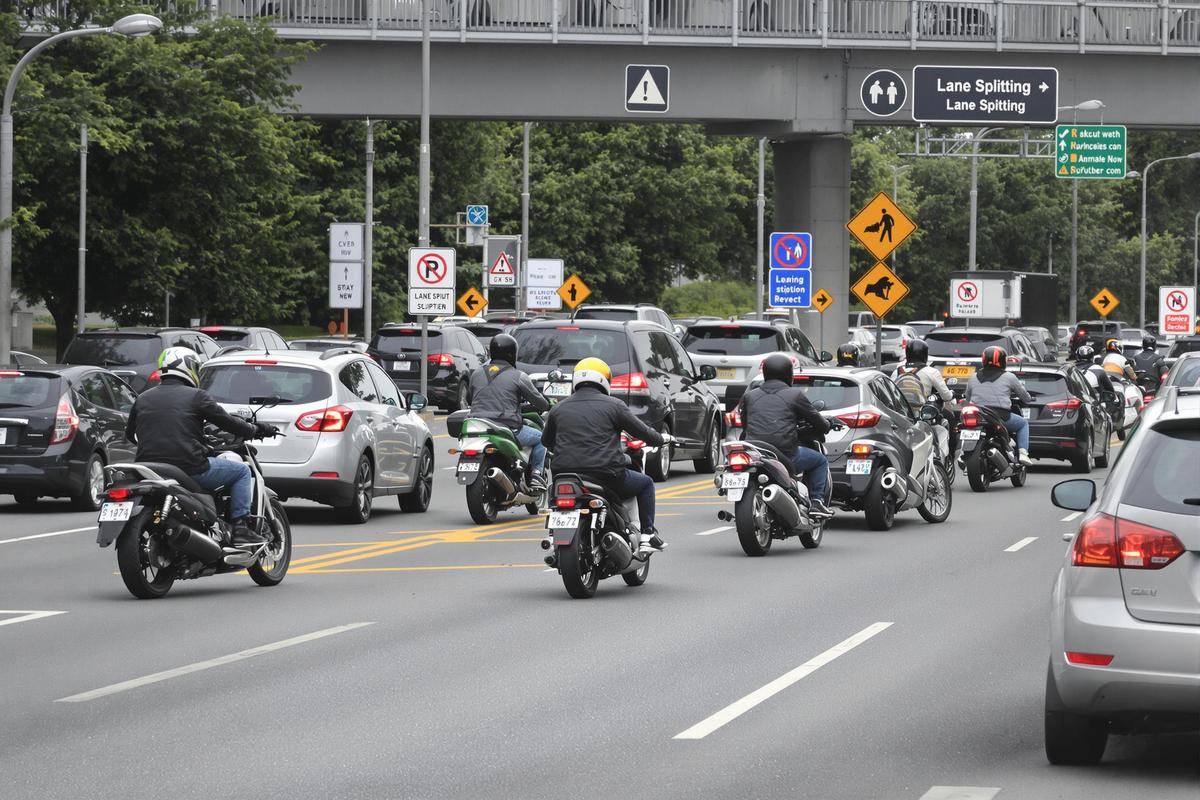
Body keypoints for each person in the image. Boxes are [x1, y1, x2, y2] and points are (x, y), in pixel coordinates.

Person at [125, 347, 275, 545]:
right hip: (189, 466)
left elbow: (130, 434)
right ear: (189, 368)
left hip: (148, 467)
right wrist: (255, 429)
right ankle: (240, 527)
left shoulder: (143, 397)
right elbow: (228, 422)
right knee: (241, 471)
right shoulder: (197, 396)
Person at [541, 357, 670, 551]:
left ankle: (554, 538)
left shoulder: (558, 408)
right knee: (646, 483)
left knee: (556, 500)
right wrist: (661, 439)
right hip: (606, 475)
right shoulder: (614, 405)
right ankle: (648, 535)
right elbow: (643, 433)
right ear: (604, 380)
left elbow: (547, 442)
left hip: (564, 477)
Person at [737, 353, 835, 515]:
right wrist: (828, 424)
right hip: (784, 453)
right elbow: (819, 423)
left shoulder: (749, 396)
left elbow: (746, 425)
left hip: (754, 452)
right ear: (788, 374)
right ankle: (817, 502)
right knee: (820, 461)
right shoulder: (794, 395)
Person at [467, 333, 549, 491]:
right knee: (541, 439)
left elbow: (472, 399)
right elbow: (540, 402)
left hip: (479, 426)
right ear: (512, 354)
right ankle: (537, 474)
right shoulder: (519, 376)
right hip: (508, 427)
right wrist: (546, 404)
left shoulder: (476, 373)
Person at [964, 345, 1033, 467]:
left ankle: (962, 454)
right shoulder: (1009, 377)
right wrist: (1030, 398)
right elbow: (1024, 397)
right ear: (1002, 361)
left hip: (978, 415)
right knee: (1023, 424)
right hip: (1001, 416)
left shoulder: (973, 377)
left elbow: (968, 398)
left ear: (984, 360)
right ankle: (1023, 453)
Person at [893, 339, 958, 453]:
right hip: (923, 414)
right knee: (950, 419)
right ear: (925, 354)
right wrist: (952, 393)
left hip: (900, 413)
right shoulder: (931, 372)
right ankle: (950, 455)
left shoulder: (897, 371)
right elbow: (946, 397)